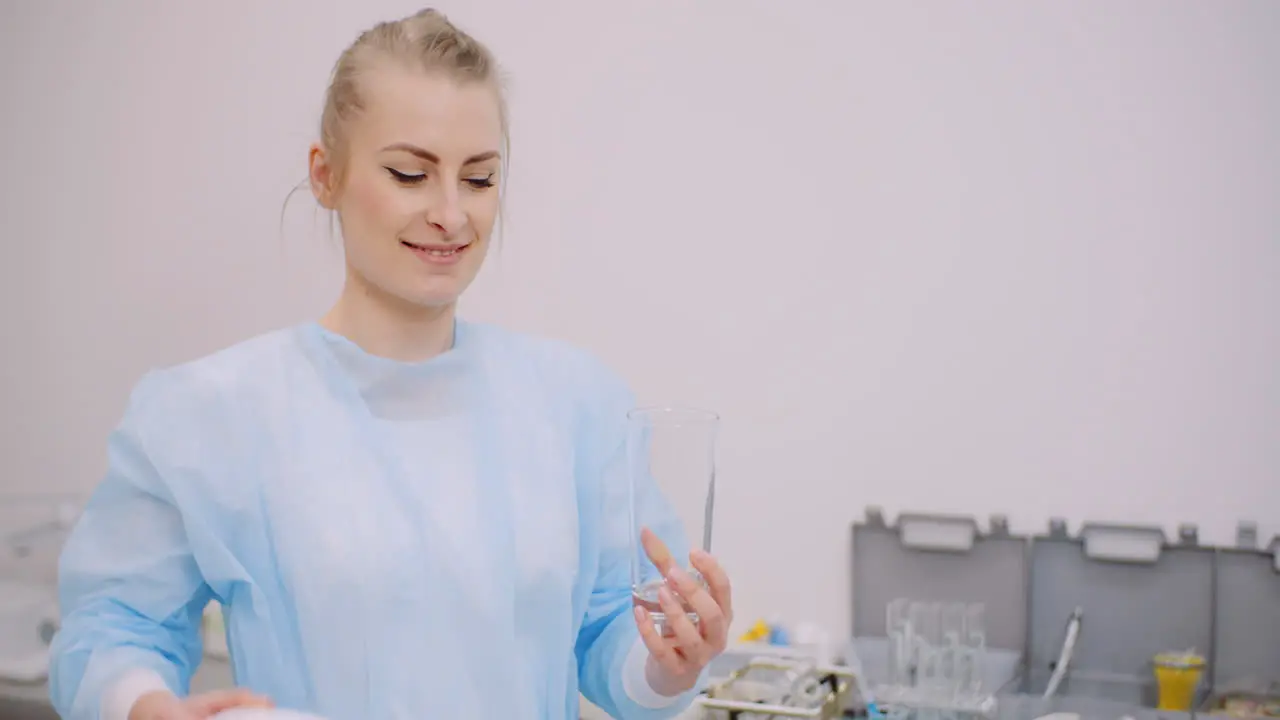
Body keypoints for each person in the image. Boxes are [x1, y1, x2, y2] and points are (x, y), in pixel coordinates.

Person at [47, 8, 733, 720]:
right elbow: (111, 628)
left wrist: (667, 661)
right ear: (326, 175)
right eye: (410, 173)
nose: (450, 214)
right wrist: (145, 706)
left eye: (479, 179)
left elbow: (612, 640)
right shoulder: (213, 415)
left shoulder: (576, 406)